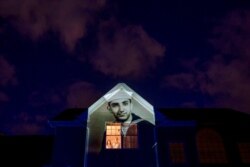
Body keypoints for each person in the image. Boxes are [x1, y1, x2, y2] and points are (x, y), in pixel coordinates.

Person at [98, 90, 157, 167]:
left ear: (131, 105)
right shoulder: (112, 131)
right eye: (115, 105)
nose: (121, 109)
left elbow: (154, 159)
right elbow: (107, 160)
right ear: (109, 108)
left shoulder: (146, 127)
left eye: (125, 103)